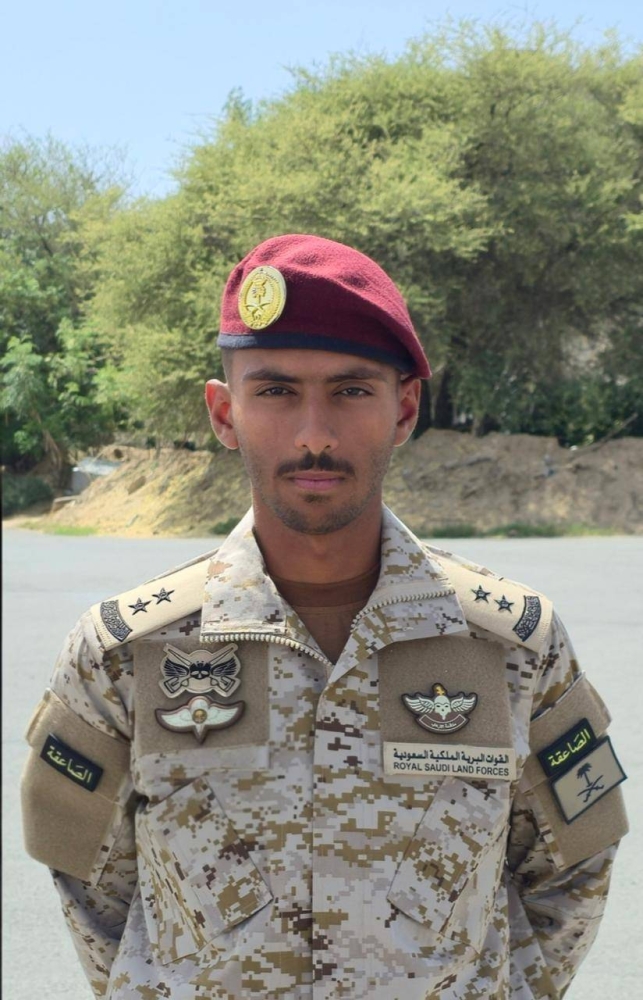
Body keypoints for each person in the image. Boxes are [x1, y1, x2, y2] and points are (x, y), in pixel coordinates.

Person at [21, 234, 628, 1000]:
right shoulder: (126, 651)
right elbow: (88, 877)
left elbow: (572, 866)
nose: (313, 433)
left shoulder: (512, 644)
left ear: (403, 408)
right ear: (224, 413)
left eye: (350, 391)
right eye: (275, 391)